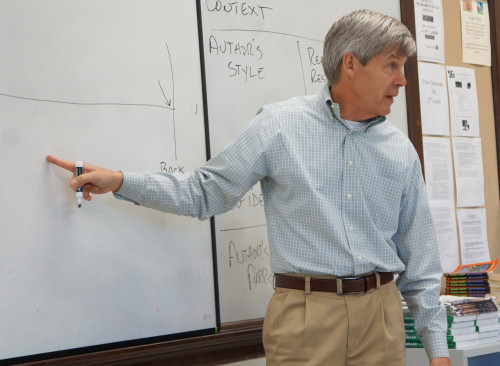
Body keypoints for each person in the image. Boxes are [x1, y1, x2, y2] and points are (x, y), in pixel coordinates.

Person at [47, 9, 451, 366]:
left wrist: (438, 351)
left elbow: (420, 259)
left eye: (403, 67)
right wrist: (121, 180)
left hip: (381, 319)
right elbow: (205, 192)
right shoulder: (279, 126)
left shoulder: (400, 149)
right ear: (351, 63)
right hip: (306, 319)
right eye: (392, 65)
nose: (401, 80)